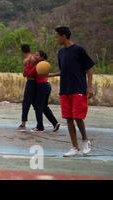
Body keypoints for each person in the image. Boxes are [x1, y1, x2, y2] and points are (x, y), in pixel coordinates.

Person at [49, 26, 95, 157]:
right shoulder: (61, 52)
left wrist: (89, 87)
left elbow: (90, 67)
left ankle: (85, 141)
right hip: (65, 89)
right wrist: (51, 75)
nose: (56, 39)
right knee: (68, 119)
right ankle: (75, 147)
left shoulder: (79, 50)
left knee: (78, 117)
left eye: (57, 36)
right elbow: (64, 70)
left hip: (78, 88)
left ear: (64, 36)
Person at [24, 50, 60, 132]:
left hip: (42, 87)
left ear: (41, 57)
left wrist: (28, 63)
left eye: (37, 55)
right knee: (44, 107)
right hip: (47, 86)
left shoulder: (38, 65)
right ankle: (55, 123)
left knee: (38, 107)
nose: (35, 56)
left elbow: (28, 73)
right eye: (35, 54)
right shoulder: (43, 63)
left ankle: (40, 127)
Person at [16, 44, 36, 131]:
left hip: (31, 82)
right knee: (39, 105)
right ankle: (54, 122)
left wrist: (24, 73)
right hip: (39, 82)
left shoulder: (26, 60)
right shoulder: (35, 57)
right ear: (30, 49)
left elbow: (25, 73)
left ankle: (23, 123)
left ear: (22, 51)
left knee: (26, 103)